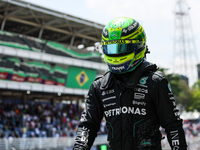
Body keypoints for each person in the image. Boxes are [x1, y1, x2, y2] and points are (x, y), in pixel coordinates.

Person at [73, 17, 187, 150]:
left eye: (121, 47)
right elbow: (87, 126)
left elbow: (173, 126)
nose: (116, 53)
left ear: (138, 45)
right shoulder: (99, 86)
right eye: (111, 48)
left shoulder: (155, 81)